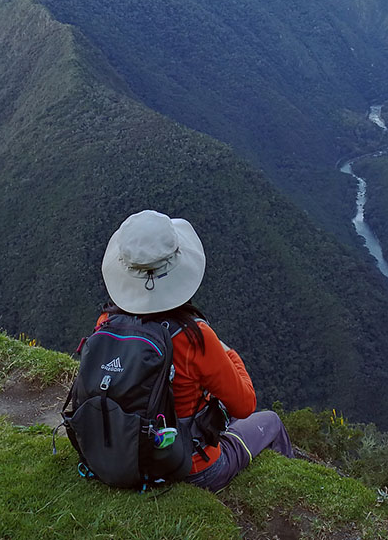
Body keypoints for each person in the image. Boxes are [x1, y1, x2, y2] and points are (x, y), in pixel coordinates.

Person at [97, 209, 293, 491]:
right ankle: (285, 486)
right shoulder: (194, 338)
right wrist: (230, 355)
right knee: (270, 420)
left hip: (125, 453)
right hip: (193, 469)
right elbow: (245, 404)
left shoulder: (106, 322)